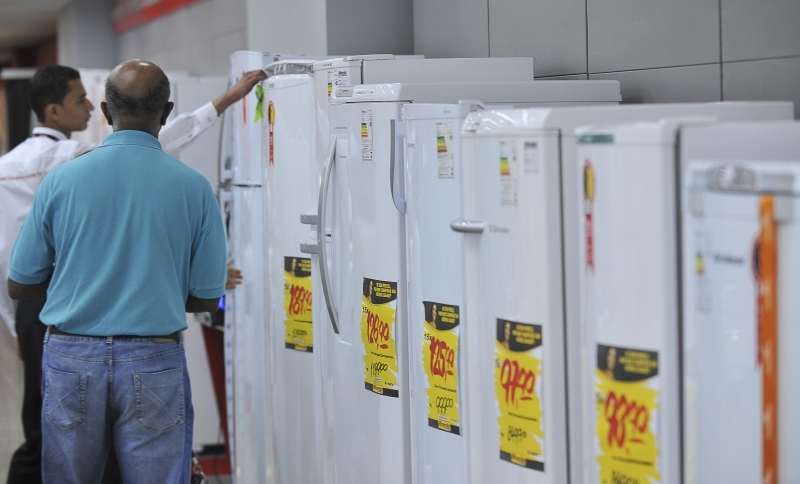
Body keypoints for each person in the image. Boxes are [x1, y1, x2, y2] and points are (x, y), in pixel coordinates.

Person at [1, 64, 262, 484]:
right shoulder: (193, 188)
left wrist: (79, 283)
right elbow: (205, 297)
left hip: (71, 356)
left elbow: (20, 282)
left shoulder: (60, 181)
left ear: (105, 111)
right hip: (153, 357)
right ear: (166, 110)